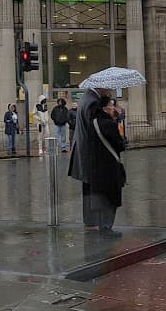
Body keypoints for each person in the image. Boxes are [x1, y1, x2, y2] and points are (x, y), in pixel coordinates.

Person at [87, 96, 126, 237]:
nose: (113, 107)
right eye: (111, 105)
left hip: (96, 166)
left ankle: (102, 225)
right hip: (110, 167)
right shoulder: (110, 125)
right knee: (111, 198)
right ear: (105, 108)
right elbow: (121, 145)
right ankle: (107, 228)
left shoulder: (93, 123)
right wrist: (117, 123)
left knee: (101, 198)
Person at [68, 85, 106, 230]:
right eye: (107, 88)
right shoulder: (92, 101)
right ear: (100, 86)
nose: (109, 90)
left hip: (83, 148)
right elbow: (95, 128)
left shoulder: (86, 97)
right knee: (93, 187)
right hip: (90, 150)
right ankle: (94, 220)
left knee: (88, 185)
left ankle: (90, 220)